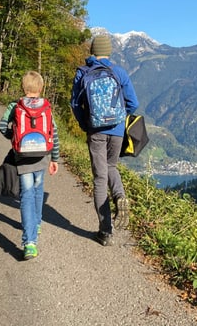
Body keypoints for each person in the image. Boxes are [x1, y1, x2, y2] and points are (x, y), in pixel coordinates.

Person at [70, 34, 139, 246]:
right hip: (117, 131)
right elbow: (133, 103)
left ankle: (106, 232)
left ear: (92, 51)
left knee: (100, 178)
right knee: (112, 166)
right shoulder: (118, 72)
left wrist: (86, 124)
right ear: (109, 51)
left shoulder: (82, 72)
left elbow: (75, 104)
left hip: (95, 131)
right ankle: (119, 195)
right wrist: (119, 118)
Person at [0, 71, 59, 260]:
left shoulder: (15, 106)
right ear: (40, 88)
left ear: (24, 88)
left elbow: (1, 126)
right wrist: (54, 158)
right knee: (38, 190)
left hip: (22, 157)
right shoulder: (46, 107)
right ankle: (37, 224)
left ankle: (29, 243)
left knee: (26, 194)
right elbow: (53, 133)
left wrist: (14, 139)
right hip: (41, 157)